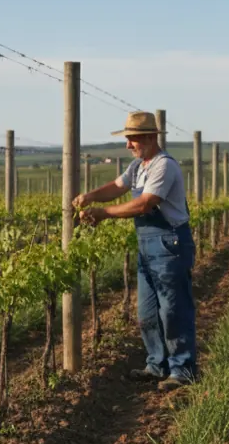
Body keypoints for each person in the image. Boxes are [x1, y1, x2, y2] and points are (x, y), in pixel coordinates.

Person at [73, 111, 196, 391]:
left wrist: (103, 213)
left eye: (133, 139)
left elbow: (145, 205)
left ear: (151, 138)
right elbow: (118, 186)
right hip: (147, 246)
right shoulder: (139, 166)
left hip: (170, 244)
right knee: (148, 312)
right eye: (127, 139)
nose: (128, 145)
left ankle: (183, 370)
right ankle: (156, 366)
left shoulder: (163, 166)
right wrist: (90, 196)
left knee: (173, 311)